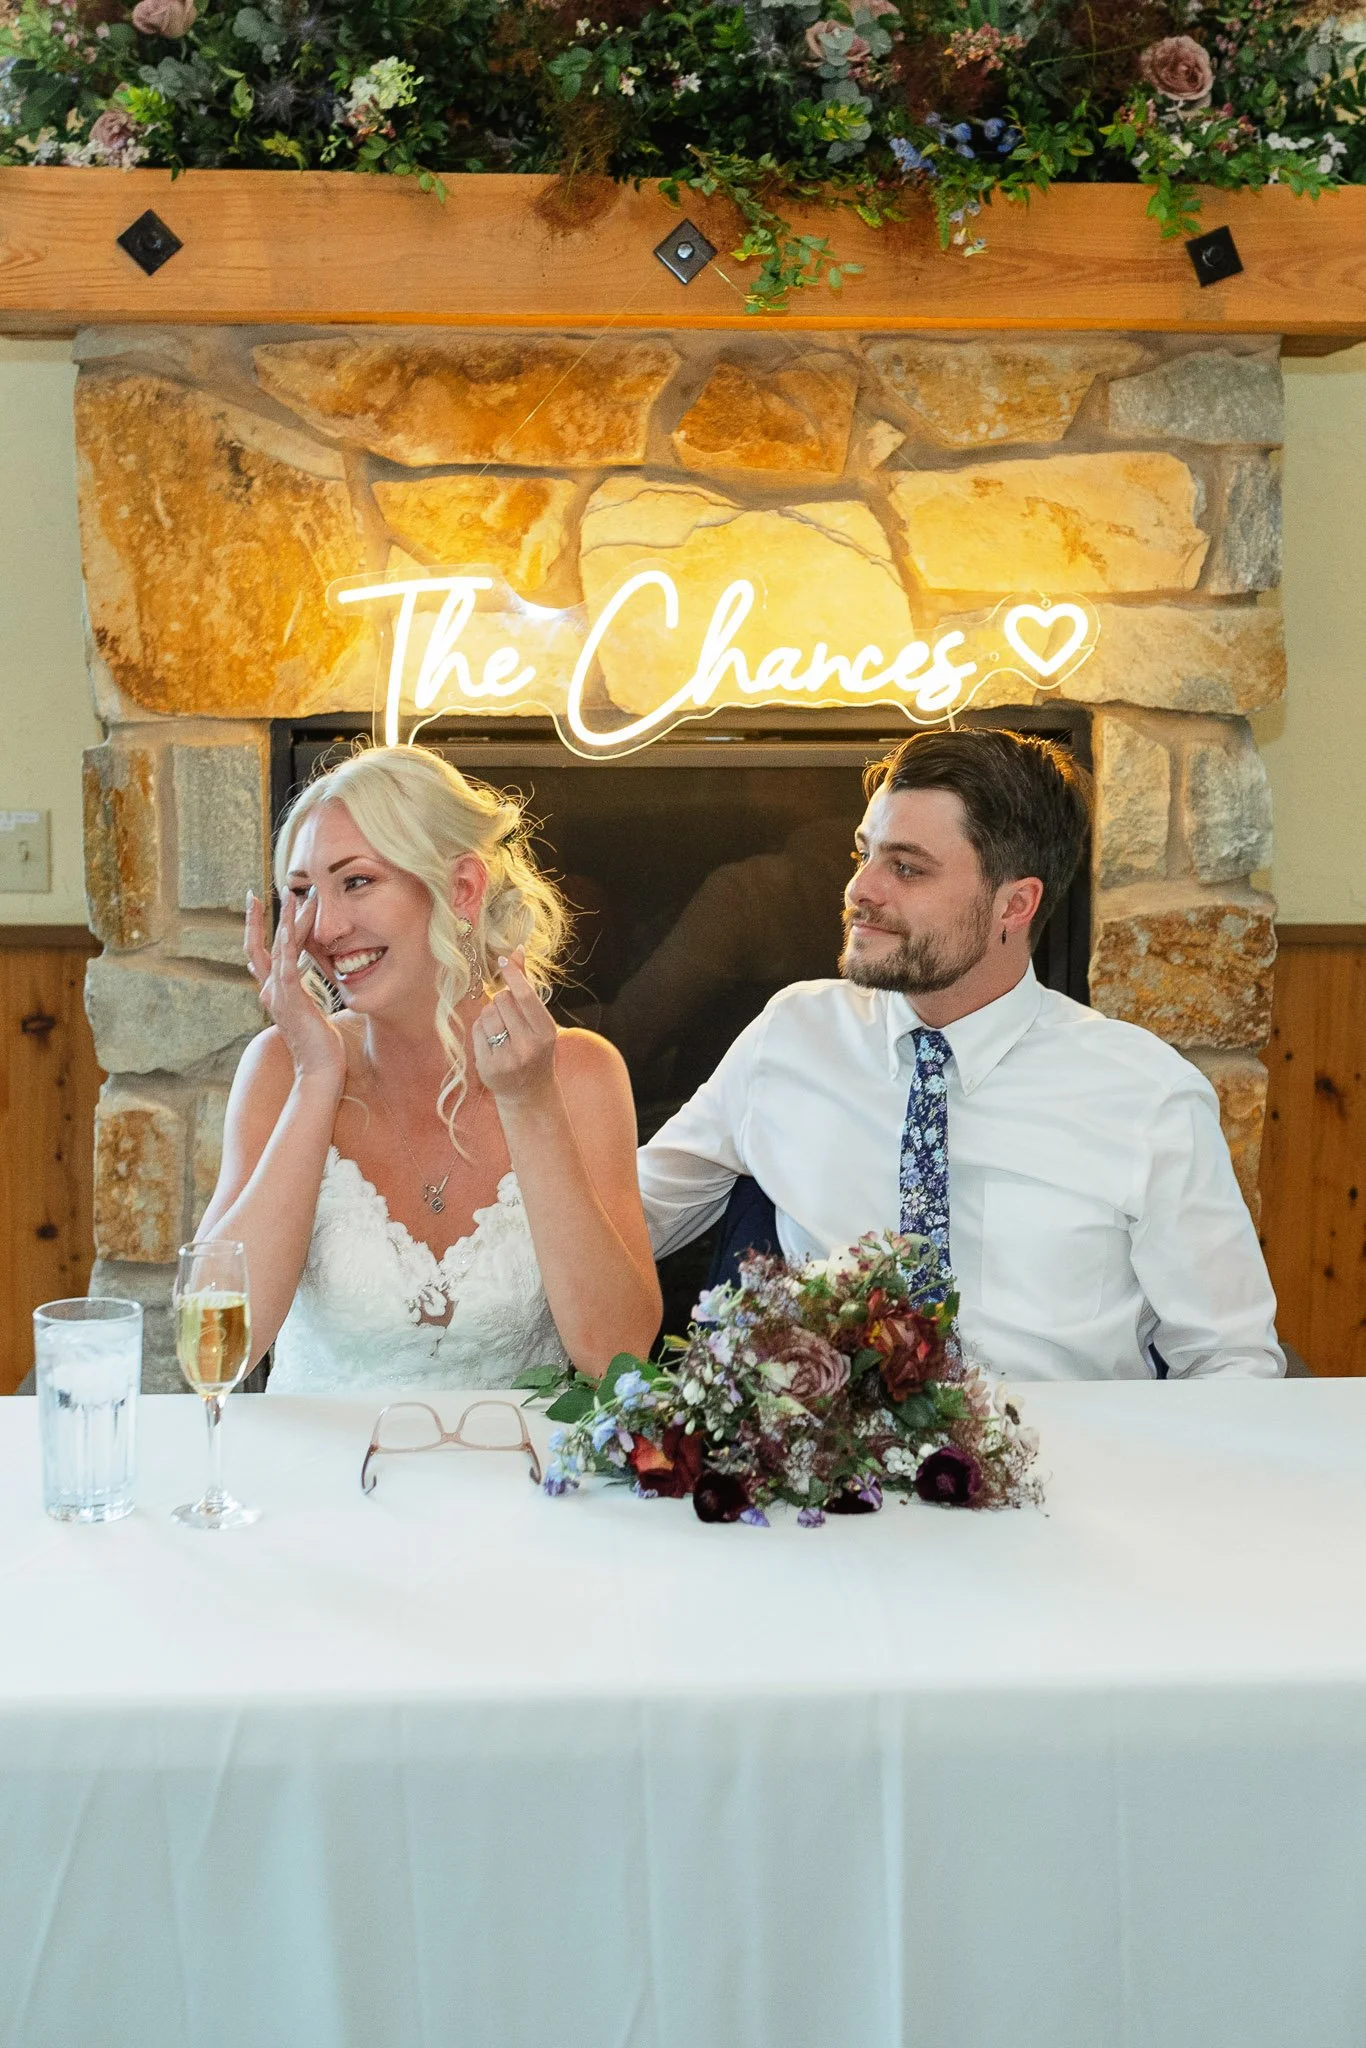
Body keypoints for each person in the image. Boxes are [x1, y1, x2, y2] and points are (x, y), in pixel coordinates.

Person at [638, 728, 1284, 1381]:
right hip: (829, 1439)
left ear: (1015, 904)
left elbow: (1230, 1359)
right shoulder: (792, 1036)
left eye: (907, 868)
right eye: (864, 854)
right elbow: (634, 1214)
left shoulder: (1148, 1095)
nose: (860, 888)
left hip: (1066, 1441)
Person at [198, 745, 661, 1393]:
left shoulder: (581, 1074)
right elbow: (221, 1352)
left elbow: (617, 1356)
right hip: (315, 1460)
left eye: (356, 881)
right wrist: (316, 1081)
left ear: (462, 887)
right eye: (302, 893)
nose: (323, 928)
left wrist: (530, 1103)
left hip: (518, 1459)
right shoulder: (280, 1067)